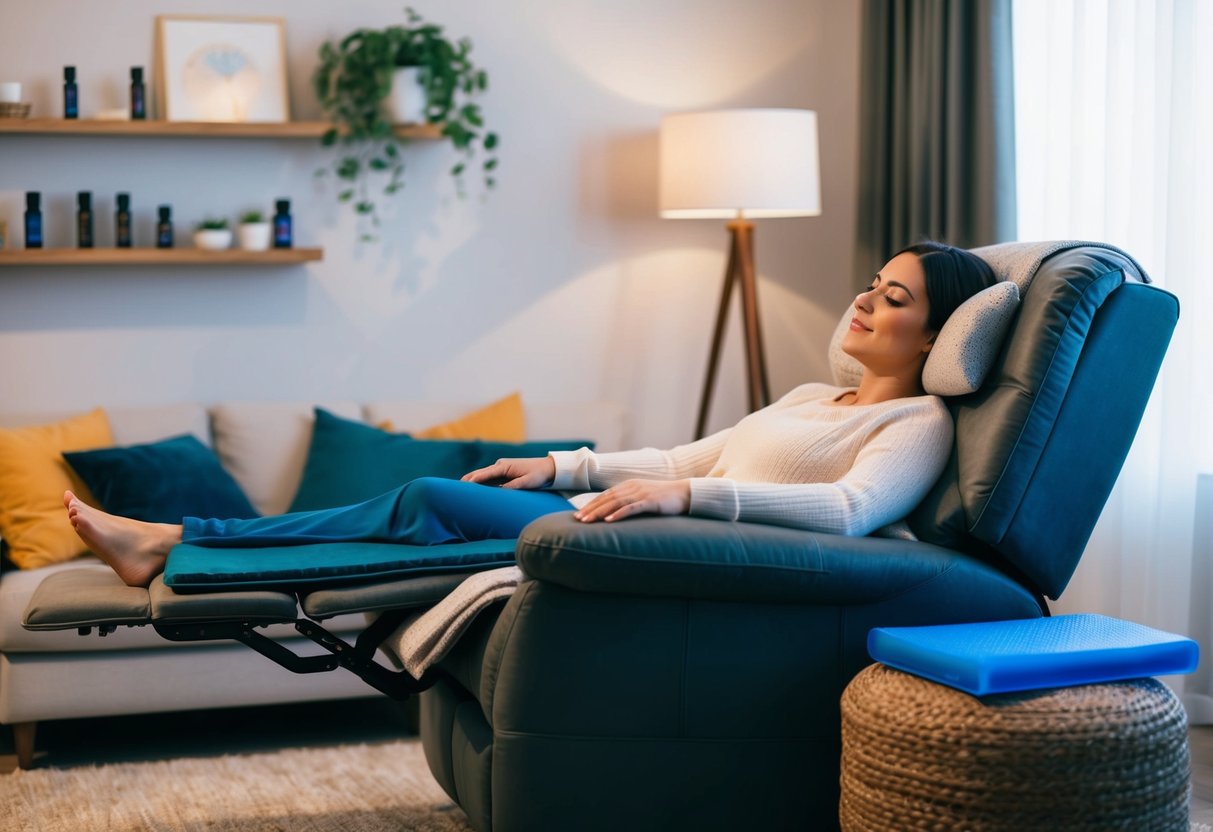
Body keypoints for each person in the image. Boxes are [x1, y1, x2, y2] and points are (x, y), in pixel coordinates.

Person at [65, 241, 997, 589]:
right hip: (649, 521)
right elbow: (682, 453)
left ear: (937, 331)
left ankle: (177, 539)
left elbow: (845, 514)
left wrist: (684, 504)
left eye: (896, 298)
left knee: (427, 499)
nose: (866, 303)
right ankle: (178, 545)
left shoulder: (915, 424)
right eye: (870, 286)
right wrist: (555, 468)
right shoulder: (809, 398)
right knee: (421, 514)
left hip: (695, 551)